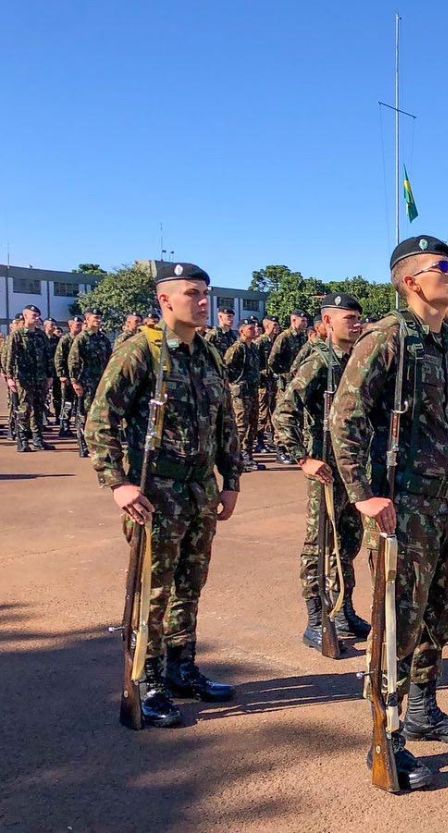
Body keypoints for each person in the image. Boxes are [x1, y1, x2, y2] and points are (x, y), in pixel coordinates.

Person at [331, 235, 448, 791]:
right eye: (443, 268)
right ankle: (386, 733)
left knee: (440, 613)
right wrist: (363, 495)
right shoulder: (386, 340)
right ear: (411, 281)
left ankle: (423, 709)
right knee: (397, 621)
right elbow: (344, 420)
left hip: (444, 503)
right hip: (402, 506)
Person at [85, 261, 241, 728]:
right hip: (154, 493)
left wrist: (230, 479)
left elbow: (224, 423)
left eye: (205, 293)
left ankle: (180, 667)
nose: (202, 301)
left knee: (190, 587)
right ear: (164, 300)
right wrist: (118, 482)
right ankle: (147, 678)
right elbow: (101, 421)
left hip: (198, 492)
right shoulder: (141, 354)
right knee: (154, 590)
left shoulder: (208, 355)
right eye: (192, 293)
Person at [274, 294, 369, 649]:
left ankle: (342, 610)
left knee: (347, 543)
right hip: (326, 470)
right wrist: (303, 458)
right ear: (328, 323)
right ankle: (316, 620)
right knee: (319, 545)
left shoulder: (359, 361)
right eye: (349, 317)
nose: (356, 323)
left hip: (354, 469)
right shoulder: (318, 362)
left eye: (359, 317)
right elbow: (285, 411)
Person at [3, 304, 55, 451]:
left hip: (40, 378)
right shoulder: (17, 335)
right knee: (24, 409)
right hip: (24, 378)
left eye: (38, 316)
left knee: (39, 409)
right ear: (25, 316)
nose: (37, 318)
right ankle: (23, 440)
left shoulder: (41, 335)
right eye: (34, 316)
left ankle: (38, 440)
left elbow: (48, 356)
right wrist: (10, 377)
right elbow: (10, 358)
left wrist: (50, 375)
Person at [223, 316, 266, 473]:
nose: (254, 331)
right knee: (241, 426)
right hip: (241, 393)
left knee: (252, 425)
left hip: (253, 391)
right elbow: (225, 367)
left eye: (255, 328)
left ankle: (248, 456)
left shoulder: (254, 348)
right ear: (242, 331)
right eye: (251, 328)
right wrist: (234, 384)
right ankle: (236, 458)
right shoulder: (237, 348)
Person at [68, 309, 114, 458]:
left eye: (100, 317)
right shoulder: (81, 338)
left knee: (100, 414)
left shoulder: (103, 339)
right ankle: (84, 445)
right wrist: (75, 382)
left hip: (101, 382)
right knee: (85, 414)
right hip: (86, 382)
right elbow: (73, 361)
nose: (98, 320)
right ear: (87, 319)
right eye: (95, 317)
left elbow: (109, 360)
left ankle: (97, 444)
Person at [267, 310, 309, 465]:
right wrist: (283, 374)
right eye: (302, 320)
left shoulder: (303, 338)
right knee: (282, 414)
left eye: (305, 321)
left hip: (297, 382)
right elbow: (272, 360)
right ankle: (281, 450)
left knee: (296, 416)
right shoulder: (284, 337)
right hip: (285, 383)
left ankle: (293, 448)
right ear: (293, 320)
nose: (305, 323)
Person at [55, 315, 83, 437]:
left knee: (79, 403)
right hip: (67, 377)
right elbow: (59, 357)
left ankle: (79, 425)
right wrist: (62, 375)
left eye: (80, 325)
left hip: (80, 376)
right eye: (77, 325)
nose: (79, 327)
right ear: (70, 326)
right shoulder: (65, 339)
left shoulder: (82, 339)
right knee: (67, 402)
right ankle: (64, 425)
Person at [255, 315, 279, 453]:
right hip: (262, 384)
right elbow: (255, 364)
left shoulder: (274, 341)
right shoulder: (260, 342)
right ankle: (259, 442)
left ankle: (271, 440)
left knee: (273, 412)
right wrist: (264, 372)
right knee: (262, 413)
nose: (277, 328)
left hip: (272, 383)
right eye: (274, 325)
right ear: (267, 326)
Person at [43, 318, 63, 426]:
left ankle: (59, 417)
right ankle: (44, 419)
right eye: (52, 325)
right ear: (45, 326)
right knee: (43, 397)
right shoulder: (41, 338)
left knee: (58, 396)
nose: (54, 327)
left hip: (56, 372)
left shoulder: (58, 340)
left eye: (55, 325)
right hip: (44, 373)